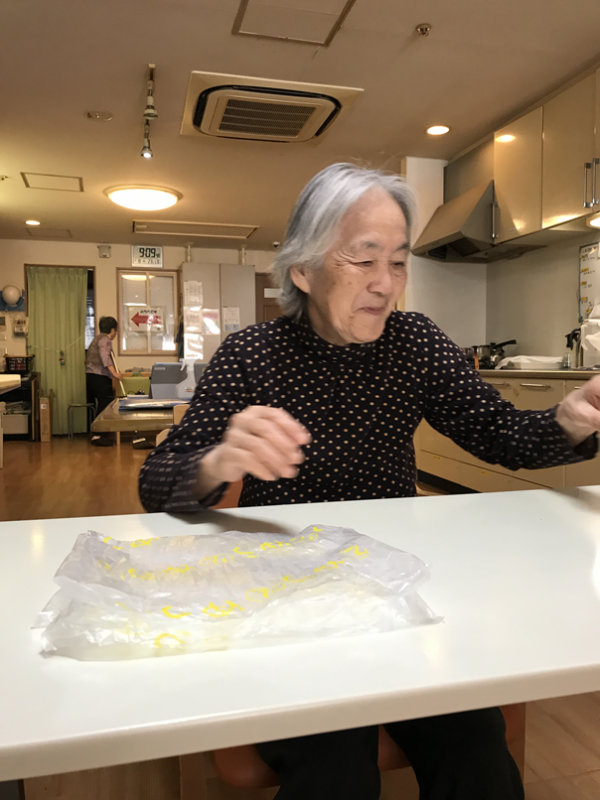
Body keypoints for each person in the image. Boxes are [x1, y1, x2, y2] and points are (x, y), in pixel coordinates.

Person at [138, 163, 600, 800]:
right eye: (363, 258)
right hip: (288, 604)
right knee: (333, 766)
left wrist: (568, 420)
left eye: (399, 262)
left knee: (475, 748)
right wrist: (218, 460)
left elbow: (499, 433)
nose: (385, 283)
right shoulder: (251, 354)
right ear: (303, 269)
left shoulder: (415, 343)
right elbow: (156, 484)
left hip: (393, 592)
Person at [85, 315, 124, 447]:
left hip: (90, 375)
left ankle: (97, 433)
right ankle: (98, 434)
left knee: (101, 403)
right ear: (112, 330)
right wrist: (114, 373)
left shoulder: (96, 338)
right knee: (106, 403)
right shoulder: (105, 340)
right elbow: (105, 357)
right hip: (99, 376)